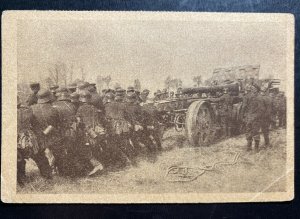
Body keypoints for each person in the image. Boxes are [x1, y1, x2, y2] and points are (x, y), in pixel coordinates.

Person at [31, 89, 62, 179]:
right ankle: (59, 171)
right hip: (52, 135)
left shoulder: (32, 108)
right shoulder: (54, 109)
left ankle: (46, 175)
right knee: (58, 154)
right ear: (49, 97)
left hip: (38, 136)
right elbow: (57, 124)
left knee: (40, 156)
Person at [76, 90, 105, 176]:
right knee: (95, 149)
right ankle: (97, 167)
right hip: (97, 132)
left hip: (87, 132)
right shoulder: (94, 108)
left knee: (85, 151)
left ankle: (97, 165)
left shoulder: (80, 108)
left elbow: (78, 122)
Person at [104, 92, 135, 166]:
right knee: (125, 142)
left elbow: (107, 117)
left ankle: (124, 160)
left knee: (113, 144)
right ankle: (130, 159)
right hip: (124, 125)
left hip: (114, 126)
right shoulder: (122, 104)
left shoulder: (107, 106)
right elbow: (128, 115)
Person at [52, 88, 77, 176]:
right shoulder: (72, 105)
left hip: (59, 132)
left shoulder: (54, 105)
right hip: (71, 131)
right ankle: (71, 171)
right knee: (70, 150)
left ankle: (60, 171)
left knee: (59, 152)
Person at [17, 96, 40, 185]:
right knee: (22, 158)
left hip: (18, 137)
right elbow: (35, 123)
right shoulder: (28, 109)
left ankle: (21, 180)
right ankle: (22, 179)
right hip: (27, 138)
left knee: (19, 159)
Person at [242, 84, 266, 152]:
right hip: (249, 117)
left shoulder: (259, 98)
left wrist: (256, 116)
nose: (252, 89)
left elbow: (262, 109)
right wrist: (244, 116)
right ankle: (249, 147)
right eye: (251, 88)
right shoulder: (248, 97)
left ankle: (256, 148)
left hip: (255, 118)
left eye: (253, 89)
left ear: (256, 90)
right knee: (248, 132)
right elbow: (244, 107)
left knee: (255, 132)